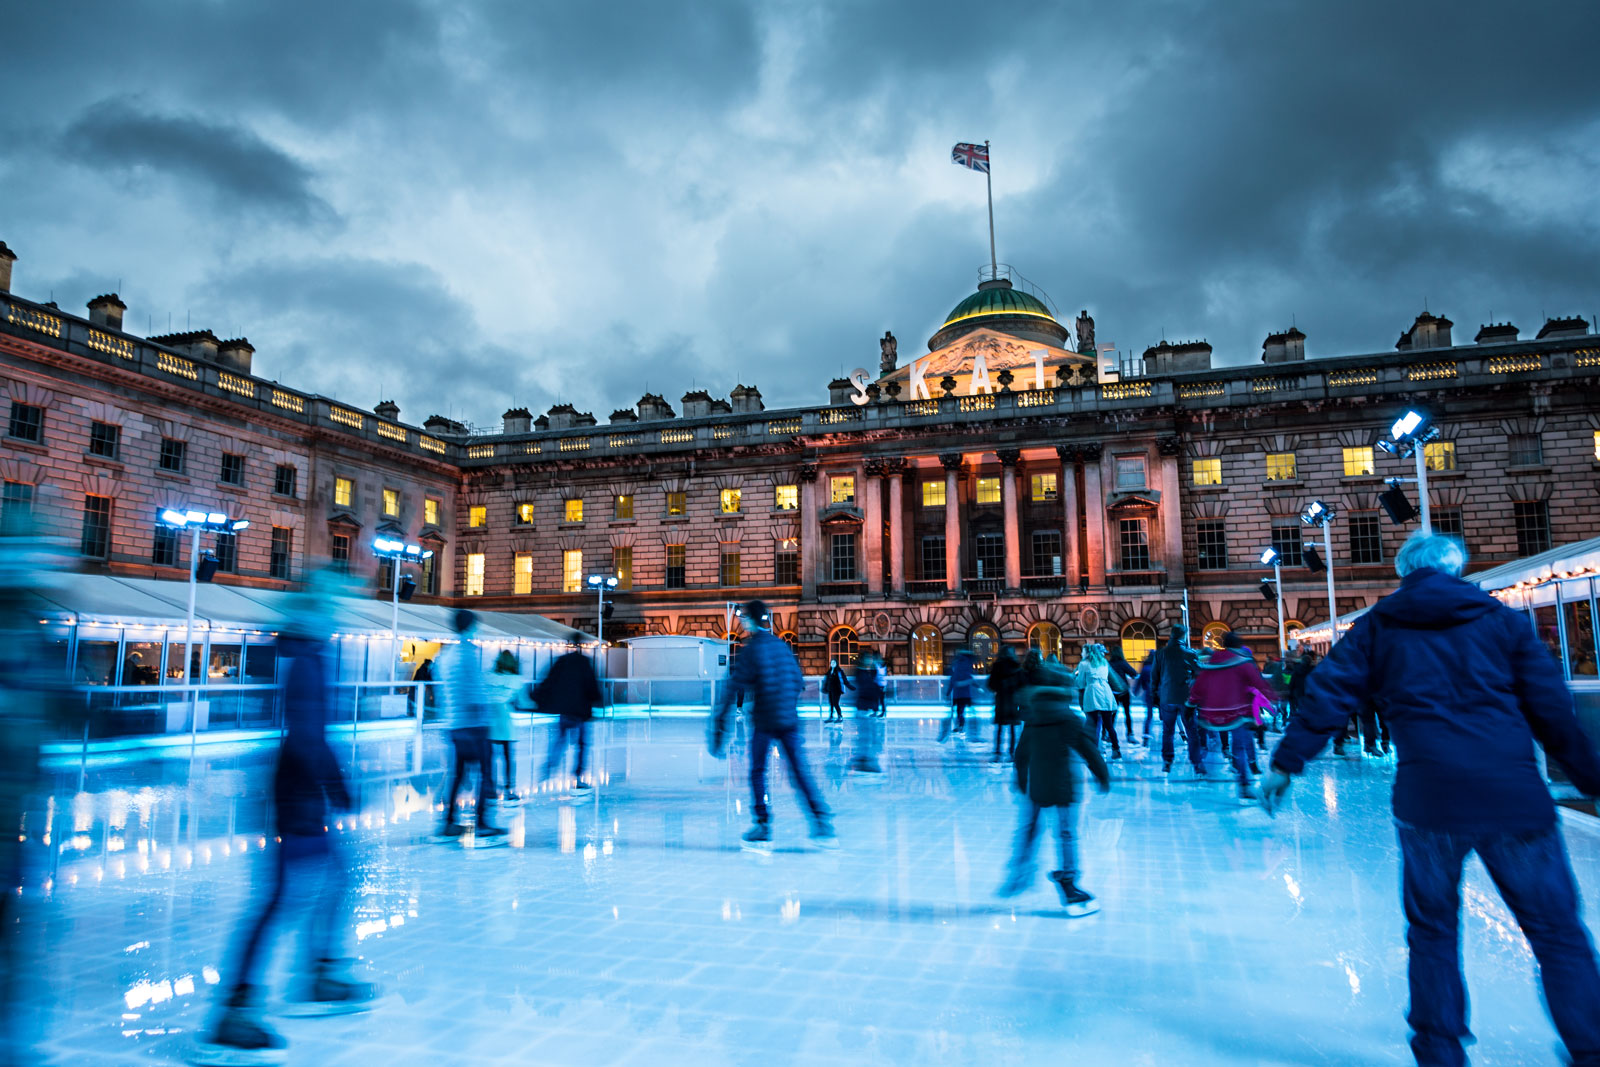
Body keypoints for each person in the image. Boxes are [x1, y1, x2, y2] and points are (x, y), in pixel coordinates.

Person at [1261, 531, 1600, 1067]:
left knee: (1432, 931)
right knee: (1557, 932)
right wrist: (1591, 778)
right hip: (1513, 796)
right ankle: (1591, 1046)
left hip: (1429, 800)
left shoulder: (1378, 627)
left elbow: (1328, 696)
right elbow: (1551, 709)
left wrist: (1286, 763)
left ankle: (1439, 1051)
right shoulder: (1503, 621)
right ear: (1457, 568)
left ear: (1404, 572)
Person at [197, 571, 377, 1065]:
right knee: (280, 900)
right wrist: (336, 785)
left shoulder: (307, 654)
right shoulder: (306, 660)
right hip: (298, 795)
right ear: (320, 610)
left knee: (331, 883)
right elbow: (307, 733)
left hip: (299, 791)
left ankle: (316, 972)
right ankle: (238, 1007)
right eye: (335, 604)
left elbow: (310, 730)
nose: (340, 613)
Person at [709, 600, 835, 848]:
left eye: (744, 618)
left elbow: (732, 687)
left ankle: (763, 824)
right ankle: (821, 821)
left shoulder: (752, 649)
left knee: (757, 770)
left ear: (751, 620)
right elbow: (798, 681)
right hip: (788, 718)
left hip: (766, 718)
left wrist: (719, 727)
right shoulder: (781, 645)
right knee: (799, 770)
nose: (742, 622)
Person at [998, 651, 1110, 914]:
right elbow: (1089, 750)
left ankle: (1020, 871)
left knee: (1030, 827)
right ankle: (1069, 884)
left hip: (1037, 784)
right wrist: (1102, 775)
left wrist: (1021, 779)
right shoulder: (1070, 719)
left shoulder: (1033, 718)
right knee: (1066, 833)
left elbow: (1021, 753)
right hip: (1063, 786)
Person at [437, 610, 505, 839]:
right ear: (470, 626)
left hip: (454, 724)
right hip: (474, 724)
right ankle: (483, 822)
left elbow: (444, 692)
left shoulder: (446, 655)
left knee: (457, 774)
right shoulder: (469, 653)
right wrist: (485, 716)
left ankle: (447, 822)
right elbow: (476, 690)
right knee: (486, 772)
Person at [1188, 632, 1276, 800]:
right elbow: (1257, 682)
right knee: (1241, 746)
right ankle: (1243, 782)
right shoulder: (1243, 662)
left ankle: (1223, 762)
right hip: (1239, 712)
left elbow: (1200, 684)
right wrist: (1272, 697)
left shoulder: (1213, 661)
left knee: (1222, 739)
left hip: (1214, 711)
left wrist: (1191, 703)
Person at [536, 647, 603, 790]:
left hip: (566, 710)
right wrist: (597, 699)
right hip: (580, 712)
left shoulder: (563, 662)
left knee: (560, 741)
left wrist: (540, 697)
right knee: (581, 745)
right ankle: (578, 777)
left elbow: (550, 680)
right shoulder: (584, 663)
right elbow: (591, 685)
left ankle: (549, 767)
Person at [1148, 624, 1202, 775]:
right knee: (1192, 732)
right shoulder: (1189, 653)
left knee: (1168, 731)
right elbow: (1201, 672)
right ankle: (1196, 763)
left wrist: (1155, 698)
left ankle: (1167, 761)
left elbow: (1154, 678)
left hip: (1166, 698)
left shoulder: (1160, 654)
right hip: (1185, 698)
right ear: (1184, 635)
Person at [1074, 643, 1122, 760]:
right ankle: (1116, 750)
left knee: (1093, 724)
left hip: (1092, 694)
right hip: (1105, 693)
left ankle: (1094, 750)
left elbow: (1080, 683)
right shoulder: (1104, 663)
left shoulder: (1084, 664)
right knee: (1109, 725)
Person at [849, 651, 884, 774]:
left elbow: (873, 686)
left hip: (867, 708)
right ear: (863, 659)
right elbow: (867, 689)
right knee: (866, 737)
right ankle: (863, 761)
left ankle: (862, 760)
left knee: (868, 737)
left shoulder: (867, 672)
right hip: (864, 709)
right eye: (868, 658)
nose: (870, 660)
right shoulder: (861, 672)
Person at [987, 646, 1023, 762]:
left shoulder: (997, 666)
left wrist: (1000, 686)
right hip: (1012, 700)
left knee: (1000, 728)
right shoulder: (1016, 666)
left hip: (1002, 700)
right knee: (1011, 728)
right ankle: (1011, 752)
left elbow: (991, 684)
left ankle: (998, 751)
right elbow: (1021, 684)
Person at [942, 649, 976, 742]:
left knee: (958, 711)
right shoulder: (966, 665)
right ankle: (961, 726)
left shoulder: (957, 664)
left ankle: (959, 726)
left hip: (957, 694)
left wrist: (948, 693)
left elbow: (953, 681)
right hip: (964, 694)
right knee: (961, 710)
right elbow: (969, 678)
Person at [1106, 646, 1138, 740]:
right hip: (1124, 692)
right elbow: (1134, 673)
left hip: (1112, 692)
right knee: (1127, 713)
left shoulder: (1109, 664)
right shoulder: (1122, 663)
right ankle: (1129, 734)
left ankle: (1109, 734)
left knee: (1113, 714)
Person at [822, 658, 852, 723]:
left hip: (836, 690)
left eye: (834, 663)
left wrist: (850, 686)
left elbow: (844, 680)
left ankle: (840, 716)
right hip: (830, 690)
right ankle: (831, 716)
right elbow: (827, 680)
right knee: (831, 704)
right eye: (831, 663)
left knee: (835, 703)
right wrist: (825, 688)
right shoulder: (830, 671)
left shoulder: (839, 671)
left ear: (836, 664)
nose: (832, 664)